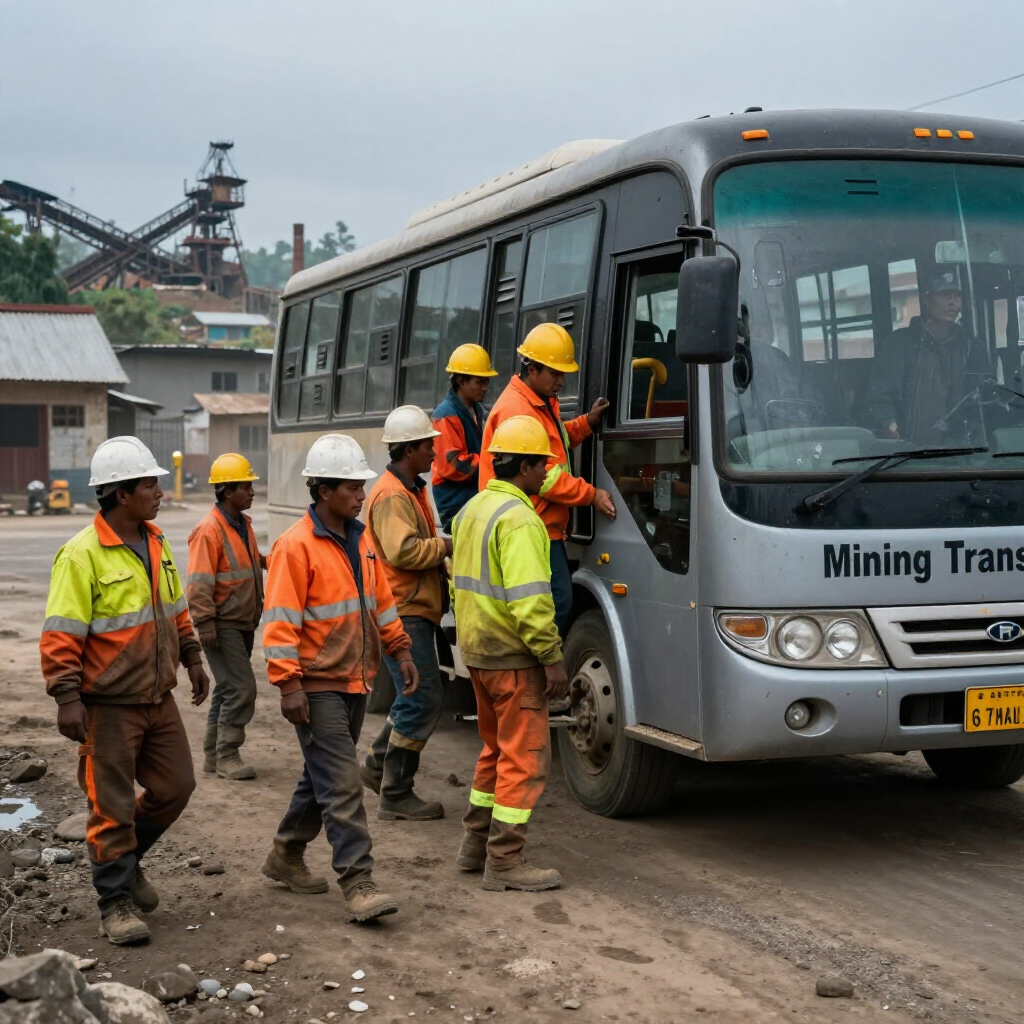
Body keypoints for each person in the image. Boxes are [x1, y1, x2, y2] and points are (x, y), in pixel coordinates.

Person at [39, 436, 210, 945]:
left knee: (176, 786)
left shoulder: (155, 542)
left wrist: (194, 656)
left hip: (158, 699)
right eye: (148, 484)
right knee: (109, 807)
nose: (158, 492)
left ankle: (128, 860)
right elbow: (61, 632)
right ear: (119, 493)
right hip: (106, 706)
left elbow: (175, 608)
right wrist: (66, 696)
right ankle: (114, 903)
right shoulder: (80, 556)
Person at [260, 433, 418, 923]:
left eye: (361, 486)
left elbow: (381, 601)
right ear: (323, 490)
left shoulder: (362, 540)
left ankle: (285, 853)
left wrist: (400, 647)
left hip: (355, 679)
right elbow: (280, 621)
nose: (361, 495)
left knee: (323, 774)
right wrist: (288, 684)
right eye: (351, 487)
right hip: (315, 682)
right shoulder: (294, 547)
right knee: (343, 781)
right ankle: (358, 880)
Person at [451, 415, 568, 891]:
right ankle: (504, 861)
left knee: (494, 751)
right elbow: (532, 601)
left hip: (478, 655)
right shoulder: (520, 520)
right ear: (522, 465)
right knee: (524, 759)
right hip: (514, 660)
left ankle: (473, 847)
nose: (546, 473)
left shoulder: (473, 509)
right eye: (542, 464)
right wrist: (552, 658)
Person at [479, 322, 615, 637]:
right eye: (554, 373)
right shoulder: (518, 410)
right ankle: (540, 670)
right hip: (531, 524)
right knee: (554, 604)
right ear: (533, 369)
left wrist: (585, 424)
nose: (562, 381)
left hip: (540, 524)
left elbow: (552, 445)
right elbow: (547, 477)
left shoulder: (535, 402)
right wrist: (592, 495)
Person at [361, 406, 451, 821]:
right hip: (404, 610)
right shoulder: (394, 494)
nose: (435, 450)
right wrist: (447, 547)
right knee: (421, 700)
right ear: (409, 448)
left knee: (413, 697)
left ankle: (379, 766)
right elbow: (405, 551)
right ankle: (395, 794)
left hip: (412, 608)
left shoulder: (408, 487)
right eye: (428, 444)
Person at [186, 453, 266, 781]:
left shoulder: (241, 524)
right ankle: (227, 754)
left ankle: (211, 754)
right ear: (227, 491)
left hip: (242, 619)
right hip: (222, 623)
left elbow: (246, 562)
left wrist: (272, 561)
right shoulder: (209, 530)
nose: (252, 491)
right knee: (242, 688)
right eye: (246, 486)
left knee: (227, 688)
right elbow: (198, 583)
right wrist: (204, 623)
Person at [868, 270, 993, 445]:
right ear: (926, 299)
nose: (952, 302)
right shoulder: (899, 344)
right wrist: (891, 427)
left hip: (960, 450)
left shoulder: (971, 346)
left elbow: (982, 399)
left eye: (956, 296)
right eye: (944, 295)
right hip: (909, 452)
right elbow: (881, 397)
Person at [431, 343, 497, 532]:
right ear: (460, 381)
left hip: (473, 500)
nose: (486, 388)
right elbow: (454, 466)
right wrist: (495, 464)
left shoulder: (480, 412)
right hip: (457, 506)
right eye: (480, 382)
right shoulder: (445, 415)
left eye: (487, 381)